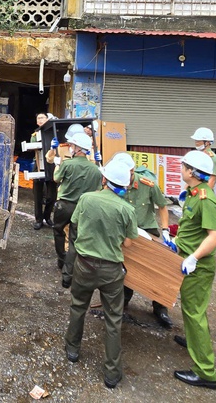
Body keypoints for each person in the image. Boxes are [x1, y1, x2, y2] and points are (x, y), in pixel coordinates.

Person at [63, 154, 138, 389]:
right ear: (125, 185)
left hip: (84, 265)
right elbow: (128, 244)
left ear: (104, 179)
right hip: (111, 271)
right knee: (113, 319)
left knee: (78, 307)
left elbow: (75, 224)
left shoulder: (86, 199)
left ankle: (72, 350)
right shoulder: (127, 209)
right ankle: (111, 374)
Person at [171, 149, 216, 390]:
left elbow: (215, 237)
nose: (181, 168)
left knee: (194, 314)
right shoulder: (193, 194)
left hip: (197, 266)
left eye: (183, 166)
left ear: (191, 172)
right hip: (187, 260)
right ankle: (193, 341)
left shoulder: (206, 199)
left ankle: (206, 372)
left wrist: (192, 257)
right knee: (191, 311)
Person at [115, 153, 175, 329]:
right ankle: (123, 301)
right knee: (125, 268)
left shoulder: (147, 185)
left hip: (147, 230)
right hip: (126, 231)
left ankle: (160, 306)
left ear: (132, 171)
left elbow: (162, 206)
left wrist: (165, 231)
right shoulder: (116, 183)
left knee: (157, 269)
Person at [54, 132, 103, 277]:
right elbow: (98, 189)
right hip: (83, 208)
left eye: (72, 145)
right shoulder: (96, 169)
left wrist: (57, 165)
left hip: (64, 206)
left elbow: (56, 179)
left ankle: (61, 259)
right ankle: (69, 269)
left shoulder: (67, 164)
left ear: (78, 148)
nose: (70, 147)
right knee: (75, 239)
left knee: (58, 231)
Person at [30, 113, 56, 230]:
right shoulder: (35, 135)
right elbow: (31, 147)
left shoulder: (54, 132)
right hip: (39, 164)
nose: (40, 120)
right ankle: (39, 220)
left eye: (42, 118)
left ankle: (47, 216)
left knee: (52, 195)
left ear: (47, 119)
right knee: (38, 195)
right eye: (38, 118)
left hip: (52, 165)